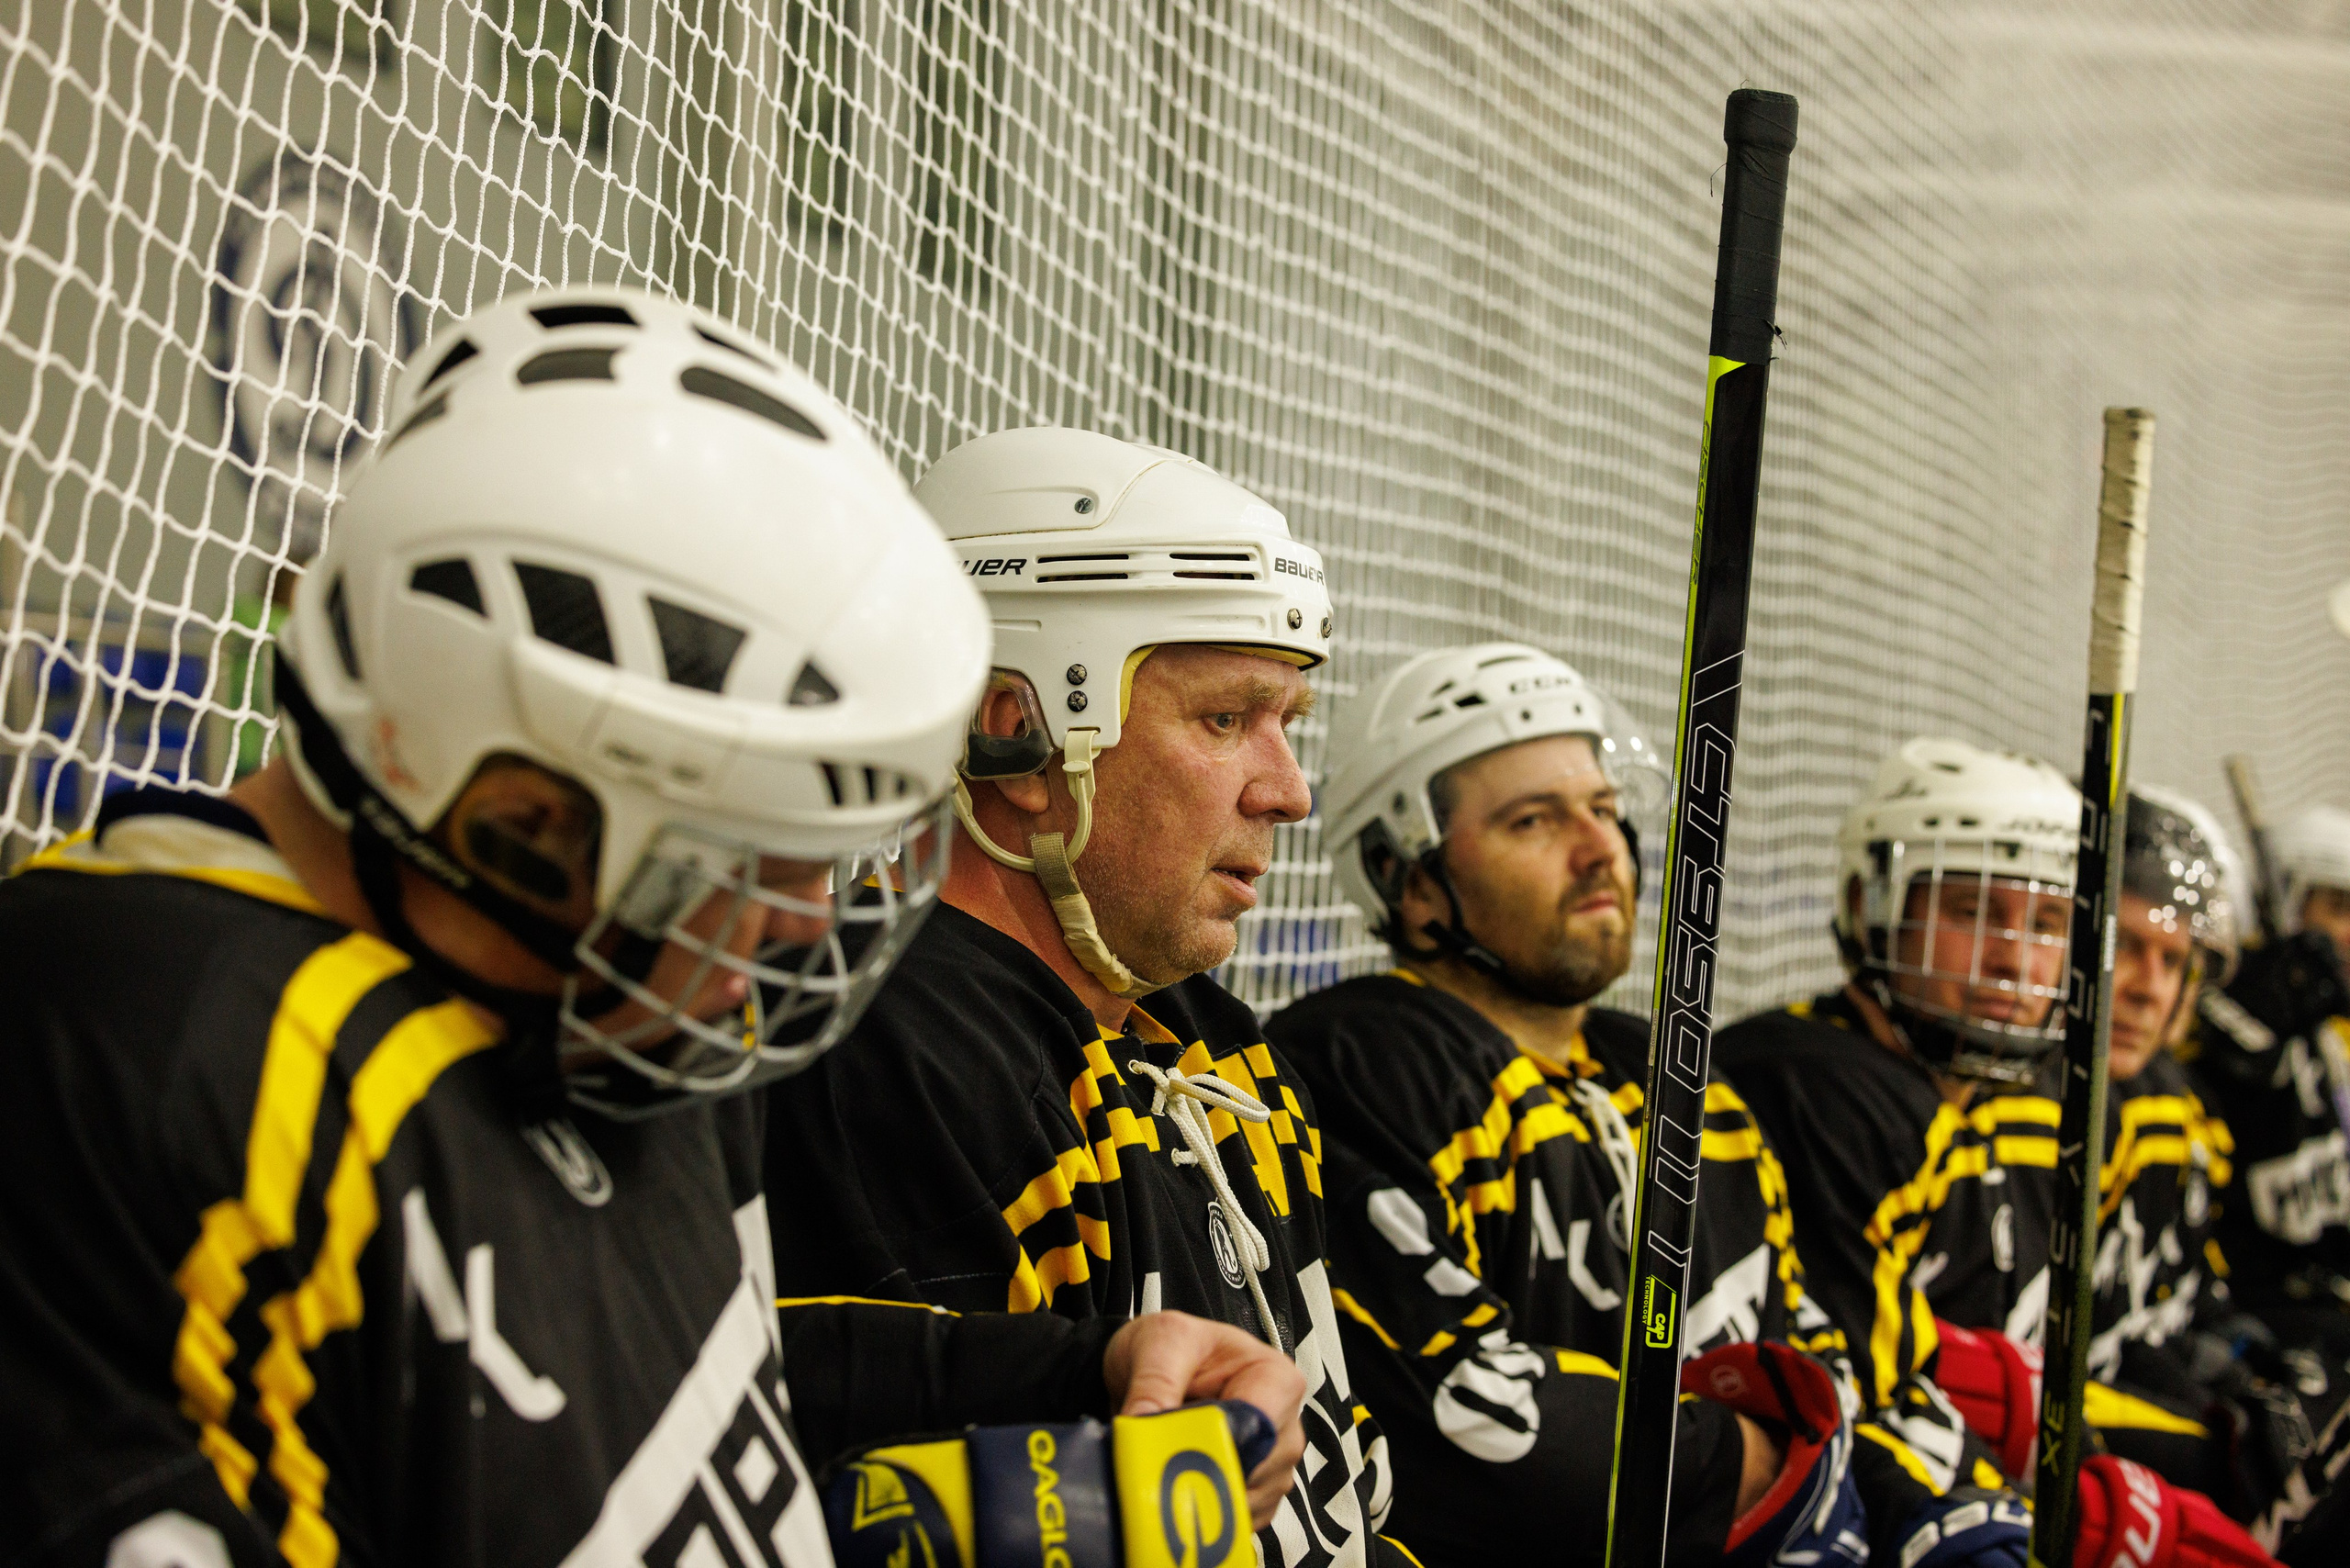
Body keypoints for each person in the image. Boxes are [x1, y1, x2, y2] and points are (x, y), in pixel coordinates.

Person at [0, 292, 1307, 1566]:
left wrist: (1082, 1375)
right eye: (759, 854)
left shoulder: (616, 987)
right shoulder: (137, 1060)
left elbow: (691, 1357)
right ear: (520, 819)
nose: (809, 927)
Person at [760, 427, 1405, 1566]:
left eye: (1286, 725)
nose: (1291, 791)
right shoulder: (895, 1046)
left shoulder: (1219, 1049)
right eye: (1224, 718)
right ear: (1014, 729)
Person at [1264, 645, 2022, 1567]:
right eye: (1534, 821)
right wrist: (1754, 1464)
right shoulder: (1362, 1070)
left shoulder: (1668, 1077)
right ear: (1408, 879)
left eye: (1605, 811)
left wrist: (1942, 1513)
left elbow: (1814, 1358)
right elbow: (1465, 1419)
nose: (1600, 851)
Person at [1717, 739, 2277, 1568]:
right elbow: (1867, 1393)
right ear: (1875, 903)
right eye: (1972, 913)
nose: (2013, 960)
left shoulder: (2020, 1102)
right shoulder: (1806, 1085)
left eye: (2048, 923)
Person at [2190, 804, 2350, 1337]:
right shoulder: (2224, 1007)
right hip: (2241, 1305)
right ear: (2285, 895)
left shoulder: (2328, 1033)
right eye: (2340, 907)